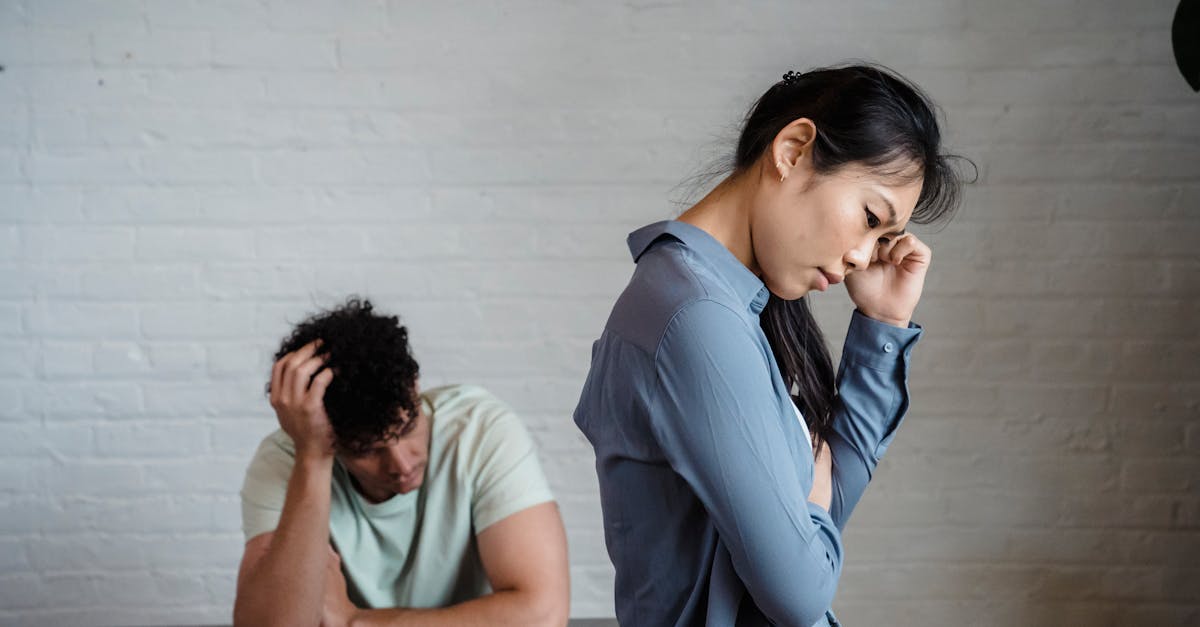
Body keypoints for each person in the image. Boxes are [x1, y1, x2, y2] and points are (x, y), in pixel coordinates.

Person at [573, 64, 970, 627]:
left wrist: (882, 322)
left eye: (883, 238)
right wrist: (811, 495)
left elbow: (825, 517)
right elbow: (800, 594)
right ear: (792, 149)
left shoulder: (724, 308)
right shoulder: (697, 318)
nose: (863, 255)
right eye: (869, 217)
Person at [233, 298, 570, 627]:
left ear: (416, 386)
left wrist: (357, 622)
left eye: (408, 428)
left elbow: (543, 614)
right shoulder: (288, 461)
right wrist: (314, 458)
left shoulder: (479, 431)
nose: (401, 463)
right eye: (367, 449)